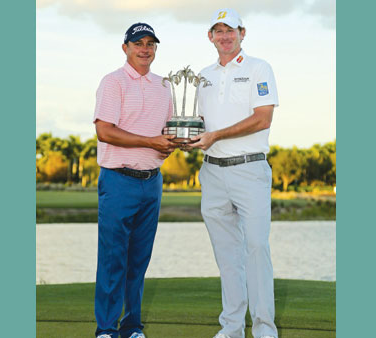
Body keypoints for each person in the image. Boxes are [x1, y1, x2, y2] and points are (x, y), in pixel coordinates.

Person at [188, 8, 280, 338]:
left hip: (249, 169)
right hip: (212, 172)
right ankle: (231, 328)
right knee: (227, 255)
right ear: (209, 36)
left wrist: (216, 135)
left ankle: (265, 329)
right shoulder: (203, 75)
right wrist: (188, 136)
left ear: (243, 33)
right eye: (218, 30)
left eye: (231, 30)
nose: (225, 36)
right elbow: (200, 123)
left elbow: (263, 119)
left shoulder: (259, 68)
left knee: (256, 247)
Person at [92, 22, 176, 338]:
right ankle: (105, 329)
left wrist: (170, 143)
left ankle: (131, 327)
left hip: (152, 182)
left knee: (138, 260)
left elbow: (165, 132)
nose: (145, 49)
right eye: (138, 43)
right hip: (118, 180)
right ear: (125, 47)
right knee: (113, 258)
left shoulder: (165, 85)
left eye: (151, 44)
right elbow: (105, 131)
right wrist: (152, 142)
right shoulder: (113, 83)